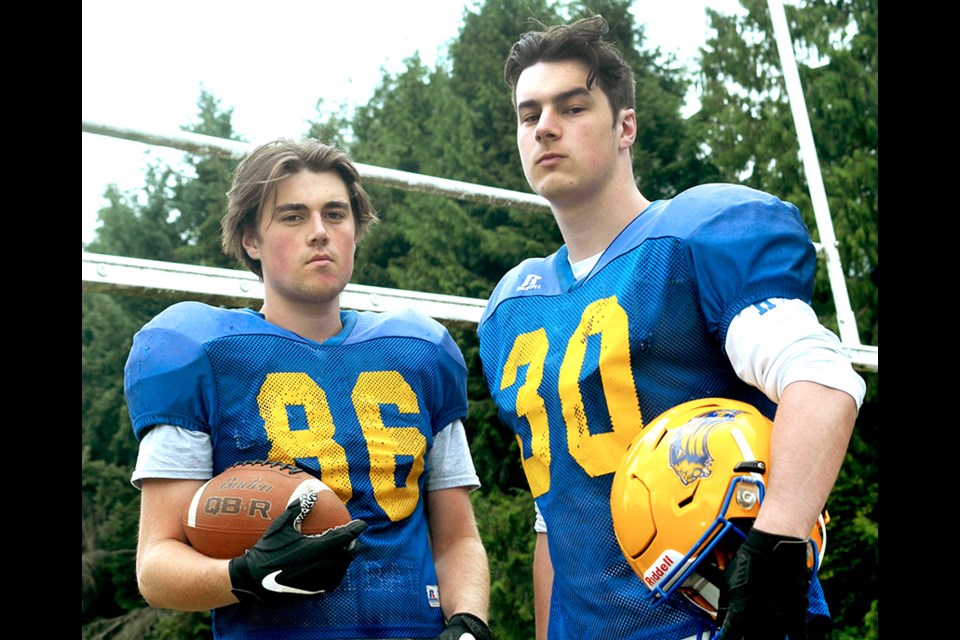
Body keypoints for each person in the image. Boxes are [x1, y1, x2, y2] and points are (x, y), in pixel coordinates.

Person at [476, 16, 866, 640]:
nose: (546, 126)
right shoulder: (511, 306)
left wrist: (776, 550)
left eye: (572, 107)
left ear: (625, 125)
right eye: (529, 115)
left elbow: (822, 379)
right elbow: (557, 511)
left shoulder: (691, 236)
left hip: (727, 619)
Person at [125, 138, 493, 640]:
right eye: (293, 217)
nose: (320, 232)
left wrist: (469, 622)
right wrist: (244, 575)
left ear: (356, 231)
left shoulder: (419, 349)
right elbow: (157, 565)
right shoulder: (199, 352)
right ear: (252, 240)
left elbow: (456, 539)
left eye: (335, 214)